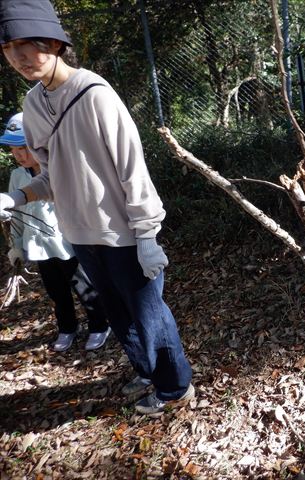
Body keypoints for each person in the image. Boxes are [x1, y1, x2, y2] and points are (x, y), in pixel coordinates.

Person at [0, 0, 193, 416]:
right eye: (8, 48)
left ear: (53, 43)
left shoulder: (95, 95)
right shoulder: (34, 104)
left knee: (150, 317)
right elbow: (52, 175)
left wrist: (146, 234)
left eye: (26, 45)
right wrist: (16, 197)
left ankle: (175, 387)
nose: (18, 57)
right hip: (80, 235)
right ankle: (146, 372)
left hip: (124, 234)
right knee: (119, 317)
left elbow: (133, 169)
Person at [1, 112, 111, 352]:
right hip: (39, 247)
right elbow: (17, 214)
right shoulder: (17, 176)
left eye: (23, 147)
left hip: (68, 244)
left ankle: (100, 324)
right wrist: (16, 246)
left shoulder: (58, 169)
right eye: (13, 149)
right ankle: (68, 328)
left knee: (83, 285)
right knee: (56, 291)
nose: (19, 155)